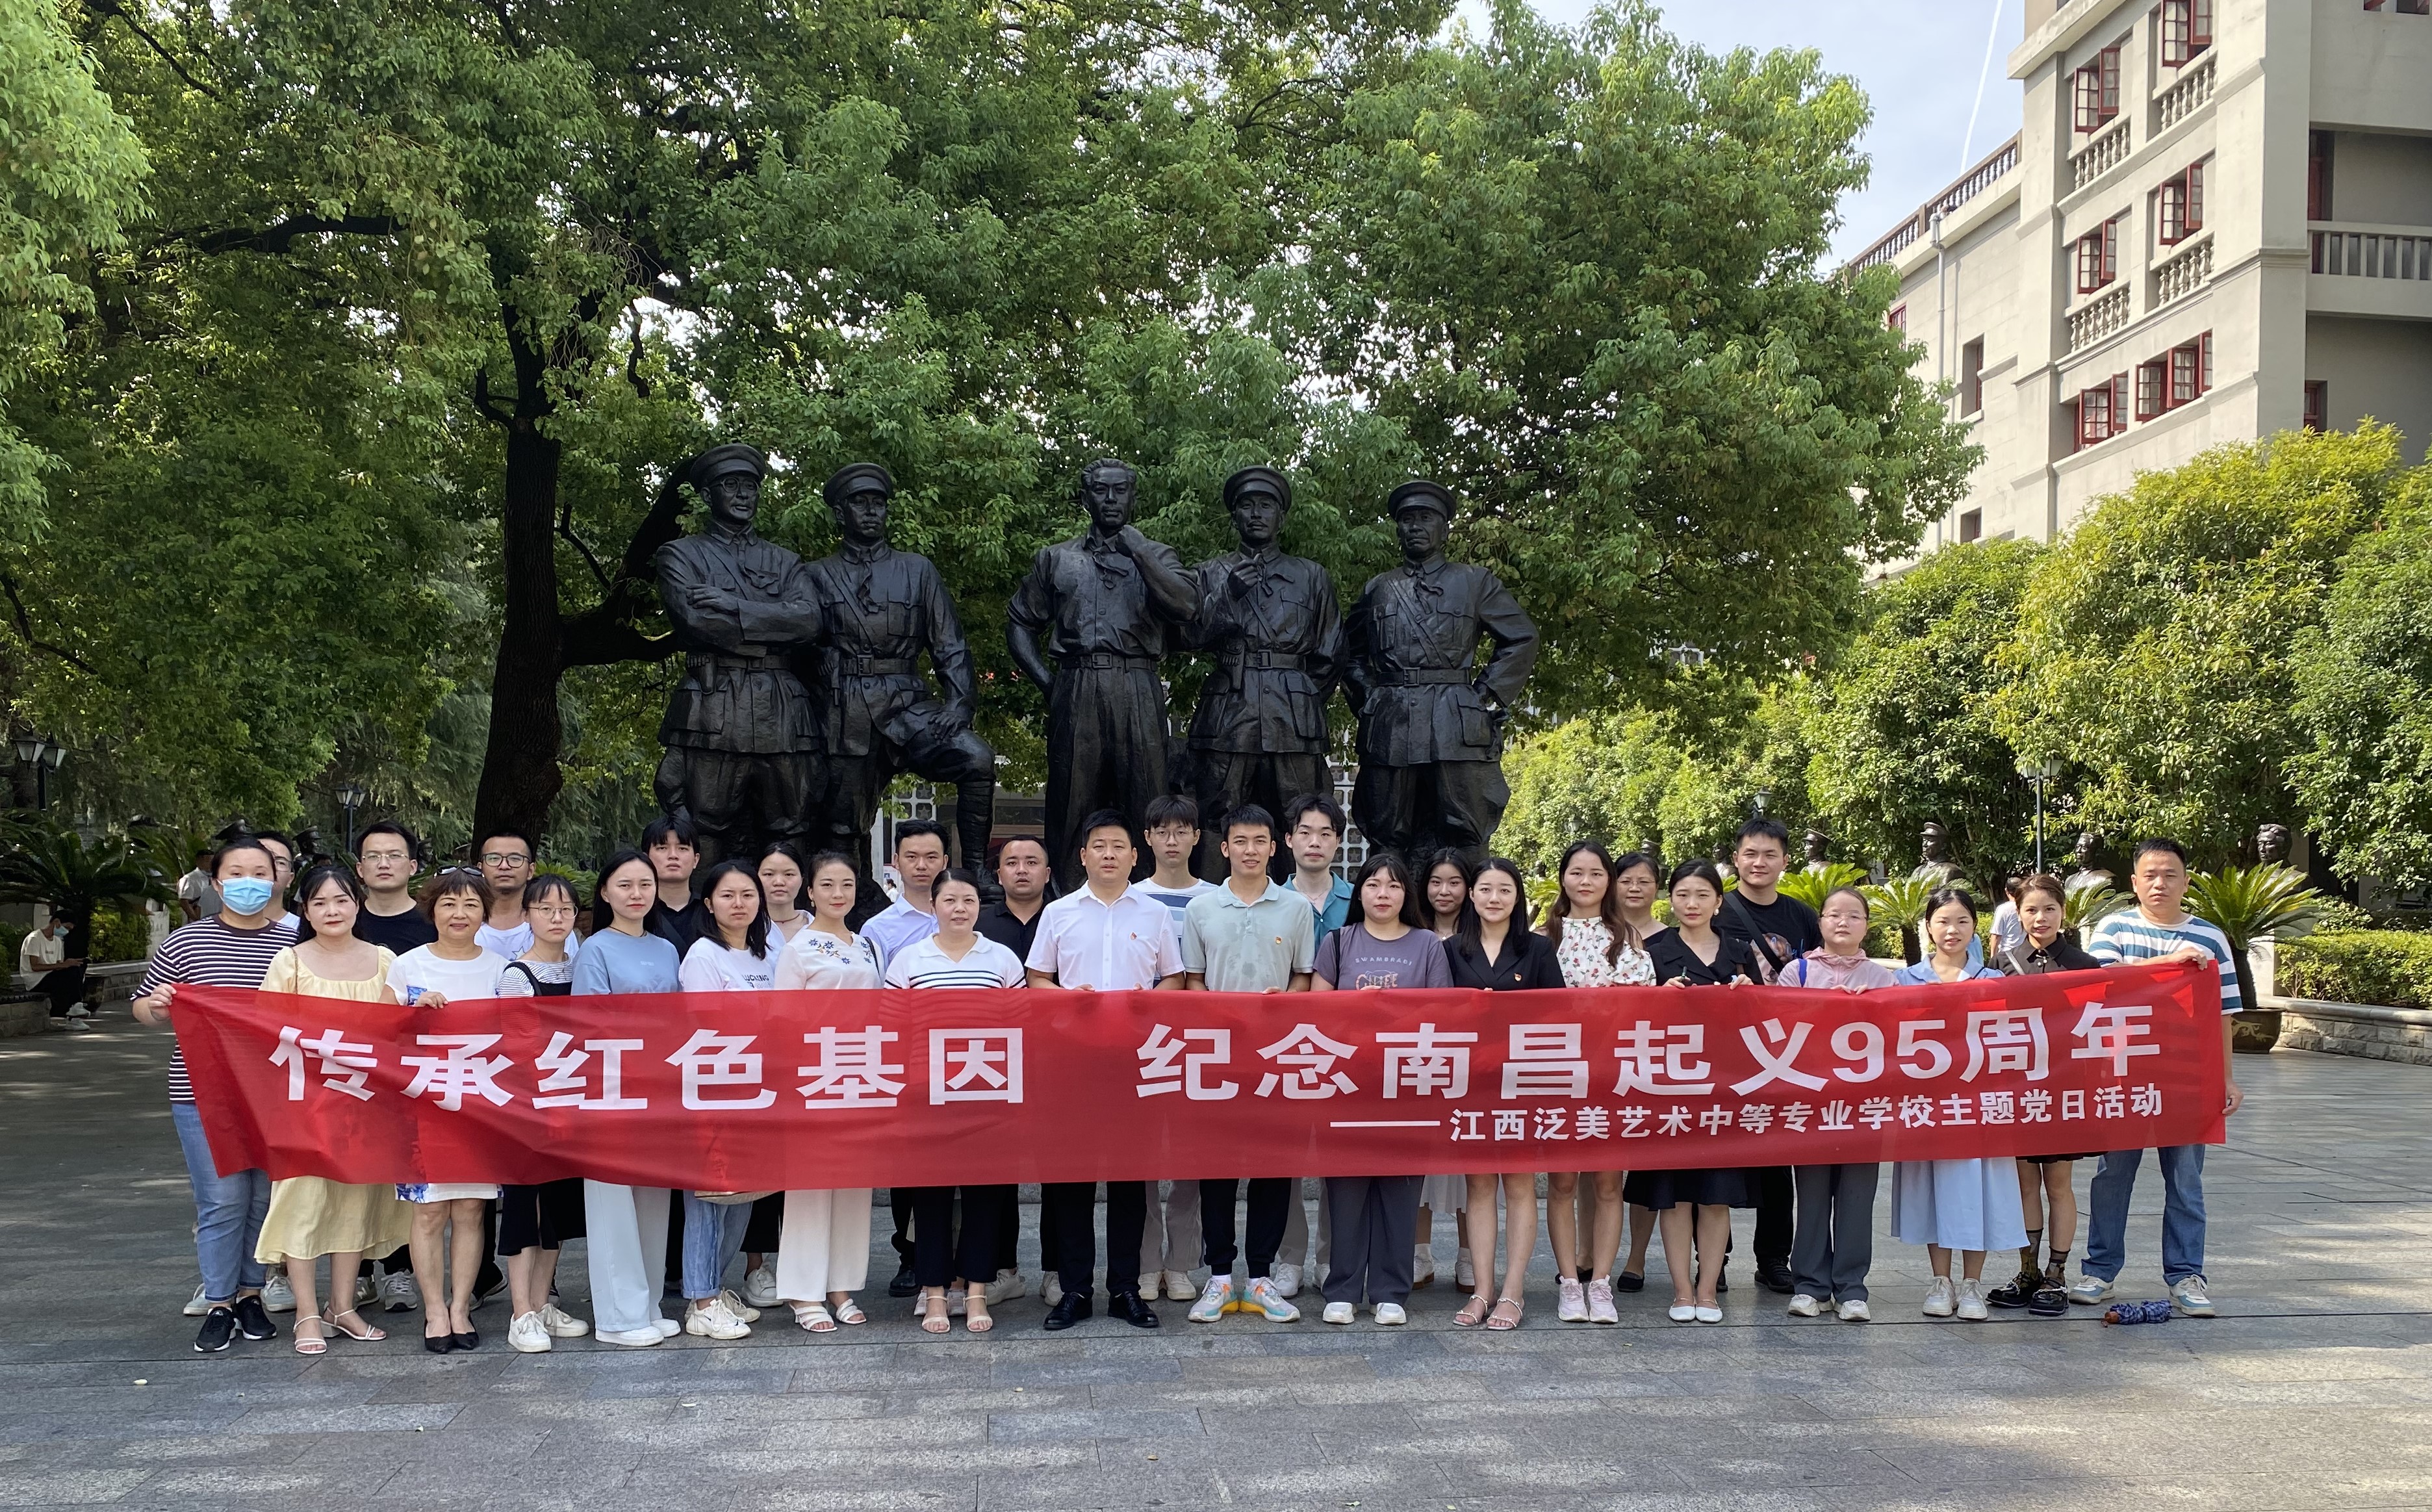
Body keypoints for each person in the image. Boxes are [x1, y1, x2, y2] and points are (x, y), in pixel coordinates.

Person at [800, 461, 999, 895]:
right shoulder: (815, 575)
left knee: (977, 759)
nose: (872, 511)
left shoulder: (917, 570)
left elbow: (950, 643)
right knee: (842, 823)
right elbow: (797, 641)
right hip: (847, 709)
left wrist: (959, 703)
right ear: (840, 513)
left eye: (879, 503)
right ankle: (854, 898)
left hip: (908, 706)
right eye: (860, 503)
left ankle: (976, 872)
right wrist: (820, 665)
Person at [1006, 458, 1199, 891]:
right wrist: (1049, 684)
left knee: (1147, 799)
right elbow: (1019, 623)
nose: (1111, 500)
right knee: (1072, 800)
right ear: (1085, 498)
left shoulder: (1158, 555)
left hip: (1139, 684)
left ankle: (1149, 900)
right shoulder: (1057, 558)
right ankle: (1066, 901)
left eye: (1120, 491)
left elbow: (1187, 607)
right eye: (1101, 491)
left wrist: (1140, 553)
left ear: (1132, 498)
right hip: (1077, 684)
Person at [2074, 838, 2245, 1318]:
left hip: (2187, 1079)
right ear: (2134, 882)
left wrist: (2226, 1079)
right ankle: (2100, 1270)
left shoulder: (2211, 938)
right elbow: (2101, 981)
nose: (2159, 883)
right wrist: (2169, 965)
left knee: (2186, 1180)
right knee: (2112, 1176)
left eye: (2170, 874)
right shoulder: (2114, 927)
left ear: (2186, 882)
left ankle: (2186, 1274)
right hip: (2122, 1078)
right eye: (2150, 875)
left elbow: (2223, 1014)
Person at [134, 837, 293, 1351]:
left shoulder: (294, 942)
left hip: (274, 1093)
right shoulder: (186, 942)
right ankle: (219, 1301)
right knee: (222, 1199)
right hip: (201, 1092)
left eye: (260, 872)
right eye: (236, 873)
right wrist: (157, 1005)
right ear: (218, 883)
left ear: (276, 878)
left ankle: (251, 1293)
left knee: (264, 1197)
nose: (249, 882)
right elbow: (143, 1007)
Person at [1027, 810, 1183, 1330]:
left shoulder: (1155, 913)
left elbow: (1174, 978)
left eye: (1118, 846)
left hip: (1134, 1062)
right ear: (1083, 855)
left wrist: (1148, 1001)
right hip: (1071, 1063)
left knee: (1128, 1181)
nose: (1109, 854)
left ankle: (1124, 1288)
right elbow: (1037, 978)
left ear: (1135, 856)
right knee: (1071, 1180)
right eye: (1099, 845)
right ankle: (1074, 1289)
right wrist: (1067, 998)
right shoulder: (1059, 912)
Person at [254, 865, 411, 1355]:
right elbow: (267, 1031)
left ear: (357, 904)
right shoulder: (290, 962)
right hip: (305, 1106)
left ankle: (341, 1306)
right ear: (305, 910)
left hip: (366, 1107)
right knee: (301, 1205)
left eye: (341, 900)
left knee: (354, 1204)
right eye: (319, 903)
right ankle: (306, 1312)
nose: (332, 911)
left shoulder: (385, 959)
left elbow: (397, 1028)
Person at [1342, 478, 1539, 860]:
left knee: (1468, 831)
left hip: (1456, 725)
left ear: (1445, 529)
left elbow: (1521, 637)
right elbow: (1349, 653)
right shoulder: (1379, 588)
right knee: (1387, 832)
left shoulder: (1475, 582)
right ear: (1398, 530)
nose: (1415, 526)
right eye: (1407, 520)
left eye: (1425, 518)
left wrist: (1485, 695)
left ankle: (1472, 901)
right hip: (1392, 724)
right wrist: (1370, 699)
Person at [1181, 805, 1316, 1327]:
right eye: (1240, 840)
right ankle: (1218, 1276)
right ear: (1224, 847)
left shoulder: (1295, 908)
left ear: (1273, 847)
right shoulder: (1201, 908)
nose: (1250, 850)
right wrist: (1219, 1015)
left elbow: (1303, 976)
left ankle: (1260, 1276)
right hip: (1217, 1059)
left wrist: (1282, 1005)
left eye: (1260, 840)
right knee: (1216, 1170)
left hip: (1276, 1058)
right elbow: (1192, 979)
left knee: (1273, 1169)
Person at [1181, 466, 1345, 884]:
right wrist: (1227, 595)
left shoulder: (1311, 576)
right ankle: (1213, 908)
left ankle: (1303, 909)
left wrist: (1299, 696)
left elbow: (1330, 653)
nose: (1256, 514)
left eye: (1266, 506)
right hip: (1228, 713)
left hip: (1292, 716)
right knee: (1218, 814)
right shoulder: (1210, 573)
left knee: (1301, 817)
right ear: (1234, 516)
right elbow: (1186, 637)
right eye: (1247, 506)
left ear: (1281, 517)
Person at [390, 871, 532, 1353]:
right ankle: (434, 1311)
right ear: (432, 910)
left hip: (480, 1103)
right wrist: (414, 1010)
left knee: (472, 1209)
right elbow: (379, 1035)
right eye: (449, 904)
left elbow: (520, 1035)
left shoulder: (503, 969)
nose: (459, 914)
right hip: (423, 1105)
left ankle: (459, 1307)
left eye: (471, 905)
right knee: (430, 1211)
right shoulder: (407, 965)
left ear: (484, 914)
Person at [884, 868, 1027, 1335]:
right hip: (926, 1096)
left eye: (968, 900)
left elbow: (1020, 1026)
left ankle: (977, 1290)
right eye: (949, 900)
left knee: (986, 1196)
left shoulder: (1002, 958)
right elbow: (892, 1028)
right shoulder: (909, 959)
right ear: (934, 906)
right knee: (931, 1197)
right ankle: (934, 1294)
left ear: (979, 907)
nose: (959, 909)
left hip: (988, 1094)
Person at [1311, 851, 1446, 1326]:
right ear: (1360, 892)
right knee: (1345, 1193)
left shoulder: (1428, 945)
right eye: (1373, 885)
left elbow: (1441, 1014)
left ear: (1406, 894)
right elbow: (1315, 1013)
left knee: (1400, 1192)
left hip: (1407, 1085)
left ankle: (1391, 1291)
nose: (1383, 894)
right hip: (1348, 1086)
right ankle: (1343, 1288)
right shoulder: (1338, 941)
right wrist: (1357, 1009)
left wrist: (1390, 1010)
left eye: (1393, 885)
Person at [1632, 859, 1760, 1324]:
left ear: (1718, 902)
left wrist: (1750, 992)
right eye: (1683, 894)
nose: (1692, 903)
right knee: (1675, 1196)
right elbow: (1629, 1017)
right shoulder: (1652, 950)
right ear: (1670, 900)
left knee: (1715, 1195)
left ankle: (1708, 1291)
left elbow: (1766, 1021)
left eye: (1702, 895)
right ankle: (1681, 1290)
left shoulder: (1740, 953)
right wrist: (1657, 996)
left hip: (1724, 1093)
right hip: (1670, 1091)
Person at [1889, 888, 2026, 1323]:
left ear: (1974, 927)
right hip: (1927, 1106)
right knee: (1935, 1191)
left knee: (1977, 1191)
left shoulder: (1993, 980)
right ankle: (1940, 1280)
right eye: (1943, 921)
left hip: (1978, 1105)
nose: (1952, 930)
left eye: (1962, 921)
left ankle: (1972, 1284)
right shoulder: (1904, 980)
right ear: (1928, 927)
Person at [1538, 841, 1653, 1326]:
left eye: (1596, 873)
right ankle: (1570, 1281)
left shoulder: (1625, 937)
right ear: (1562, 877)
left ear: (1608, 880)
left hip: (1612, 1074)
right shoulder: (1542, 937)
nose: (1585, 882)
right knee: (1562, 1183)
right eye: (1576, 872)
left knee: (1608, 1183)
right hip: (1557, 1073)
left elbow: (1642, 1006)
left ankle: (1601, 1282)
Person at [1445, 858, 1561, 1331]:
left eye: (1505, 890)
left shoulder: (1537, 948)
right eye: (1486, 889)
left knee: (1518, 1184)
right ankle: (1482, 1289)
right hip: (1470, 1083)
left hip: (1523, 1081)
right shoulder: (1450, 950)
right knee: (1477, 1185)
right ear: (1471, 895)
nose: (1494, 898)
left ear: (1517, 897)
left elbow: (1558, 1016)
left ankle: (1513, 1290)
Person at [574, 851, 685, 1347]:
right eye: (625, 884)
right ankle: (617, 1317)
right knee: (612, 1202)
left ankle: (647, 1304)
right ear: (605, 892)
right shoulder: (595, 949)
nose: (636, 893)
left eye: (645, 883)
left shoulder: (666, 948)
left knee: (652, 1200)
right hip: (613, 1087)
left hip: (660, 1087)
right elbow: (590, 1024)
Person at [669, 860, 782, 1340]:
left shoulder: (768, 952)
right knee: (710, 1196)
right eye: (728, 895)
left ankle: (715, 1286)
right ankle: (700, 1300)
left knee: (743, 1196)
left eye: (747, 894)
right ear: (709, 904)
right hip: (716, 1090)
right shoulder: (703, 955)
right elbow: (707, 1025)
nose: (739, 904)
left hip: (760, 1091)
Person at [771, 851, 882, 1333]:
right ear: (811, 892)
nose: (839, 893)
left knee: (853, 1181)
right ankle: (803, 1289)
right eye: (828, 885)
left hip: (863, 1071)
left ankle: (840, 1283)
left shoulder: (866, 945)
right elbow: (782, 1019)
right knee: (811, 1183)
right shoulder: (798, 948)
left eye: (847, 884)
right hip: (814, 1074)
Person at [1783, 886, 1897, 1322]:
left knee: (1856, 1198)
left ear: (1866, 925)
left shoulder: (1883, 979)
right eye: (1834, 914)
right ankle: (1809, 1285)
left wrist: (1870, 1012)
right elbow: (1780, 1029)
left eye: (1853, 915)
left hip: (1865, 1107)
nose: (1843, 922)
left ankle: (1851, 1287)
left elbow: (1898, 1040)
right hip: (1811, 1105)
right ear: (1820, 923)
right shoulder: (1796, 973)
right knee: (1811, 1197)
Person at [1990, 873, 2100, 1318]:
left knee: (2058, 1184)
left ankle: (2056, 1274)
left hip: (2063, 1089)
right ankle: (2027, 1271)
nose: (2040, 917)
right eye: (2031, 910)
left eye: (2049, 909)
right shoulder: (2002, 962)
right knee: (2023, 1183)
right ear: (2017, 914)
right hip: (2017, 1087)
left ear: (2063, 912)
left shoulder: (2084, 964)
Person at [1717, 817, 1818, 1296]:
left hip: (1785, 1052)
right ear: (1736, 858)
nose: (1759, 862)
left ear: (1785, 861)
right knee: (1717, 1157)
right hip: (1725, 1051)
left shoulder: (1802, 916)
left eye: (1770, 854)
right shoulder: (1716, 909)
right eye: (1751, 853)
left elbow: (1822, 974)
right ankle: (1712, 1258)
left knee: (1779, 1159)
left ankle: (1774, 1258)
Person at [1123, 794, 1216, 1303]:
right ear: (1148, 838)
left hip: (1198, 1045)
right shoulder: (1131, 898)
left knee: (1191, 1162)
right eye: (1162, 831)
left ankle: (1180, 1263)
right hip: (1140, 1047)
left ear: (1197, 837)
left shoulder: (1214, 899)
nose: (1172, 840)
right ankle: (1144, 1262)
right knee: (1138, 1160)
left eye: (1182, 830)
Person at [496, 874, 590, 1353]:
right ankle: (521, 1312)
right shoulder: (517, 975)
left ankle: (543, 1301)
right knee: (524, 1206)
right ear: (527, 915)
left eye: (565, 909)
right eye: (545, 909)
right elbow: (517, 1048)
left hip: (574, 1103)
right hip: (528, 1108)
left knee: (559, 1206)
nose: (557, 918)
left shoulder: (582, 969)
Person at [858, 817, 951, 1294]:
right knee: (908, 1163)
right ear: (895, 862)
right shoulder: (878, 928)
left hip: (966, 1058)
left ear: (946, 861)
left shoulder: (962, 911)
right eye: (911, 857)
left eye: (931, 856)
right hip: (906, 1057)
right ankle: (910, 1255)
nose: (921, 865)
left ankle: (962, 1256)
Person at [975, 834, 1053, 1300]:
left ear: (1047, 872)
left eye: (1031, 862)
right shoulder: (978, 924)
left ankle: (1056, 1269)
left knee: (1058, 1167)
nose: (1022, 869)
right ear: (998, 873)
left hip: (1057, 1059)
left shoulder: (1065, 917)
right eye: (1012, 862)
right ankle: (1002, 1267)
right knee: (997, 1170)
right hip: (992, 1063)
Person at [1415, 849, 1475, 1292]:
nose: (1444, 891)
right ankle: (1418, 1253)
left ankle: (1469, 1255)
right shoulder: (1412, 934)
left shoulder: (1481, 934)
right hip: (1419, 1060)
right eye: (1436, 881)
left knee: (1469, 1161)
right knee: (1418, 1158)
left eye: (1454, 882)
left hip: (1471, 1064)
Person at [1609, 849, 1665, 1296]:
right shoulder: (1595, 935)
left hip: (1652, 1065)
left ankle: (1636, 1258)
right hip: (1599, 1066)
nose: (1634, 888)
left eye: (1644, 881)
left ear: (1657, 888)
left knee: (1648, 1169)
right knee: (1597, 1168)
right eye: (1626, 879)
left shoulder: (1670, 939)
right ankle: (1589, 1253)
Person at [352, 822, 436, 953]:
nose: (383, 864)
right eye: (373, 856)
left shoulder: (434, 921)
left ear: (413, 867)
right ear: (360, 869)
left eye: (394, 856)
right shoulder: (347, 920)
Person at [642, 815, 706, 955]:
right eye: (662, 848)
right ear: (646, 859)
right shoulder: (637, 910)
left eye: (682, 848)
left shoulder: (712, 911)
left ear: (696, 860)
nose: (673, 855)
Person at [18, 912, 86, 1024]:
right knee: (70, 974)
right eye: (67, 927)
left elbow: (59, 965)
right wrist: (63, 965)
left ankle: (75, 1014)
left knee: (76, 970)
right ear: (57, 922)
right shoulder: (34, 938)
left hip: (51, 977)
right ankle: (75, 1008)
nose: (67, 932)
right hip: (36, 981)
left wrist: (69, 964)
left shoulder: (58, 941)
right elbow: (34, 967)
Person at [757, 841, 812, 947]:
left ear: (802, 879)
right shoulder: (744, 928)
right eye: (769, 874)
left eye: (789, 874)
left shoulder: (817, 929)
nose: (779, 882)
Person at [175, 848, 218, 924]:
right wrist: (197, 920)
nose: (211, 864)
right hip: (196, 922)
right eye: (208, 861)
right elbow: (184, 902)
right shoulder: (189, 879)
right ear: (198, 862)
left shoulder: (216, 878)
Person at [1991, 875, 2029, 958]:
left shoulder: (2003, 909)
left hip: (2007, 955)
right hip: (2026, 953)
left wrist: (1993, 958)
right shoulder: (2028, 907)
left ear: (2006, 891)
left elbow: (1996, 936)